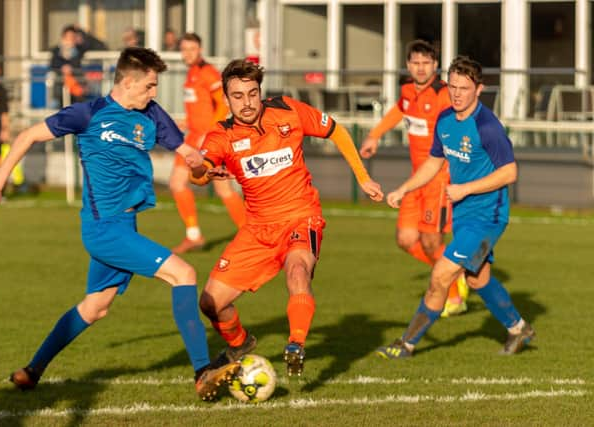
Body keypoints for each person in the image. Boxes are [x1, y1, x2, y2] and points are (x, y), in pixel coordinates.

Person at [0, 47, 240, 401]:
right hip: (103, 230)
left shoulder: (151, 114)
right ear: (129, 82)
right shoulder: (88, 114)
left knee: (95, 306)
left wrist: (205, 170)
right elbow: (26, 136)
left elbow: (189, 156)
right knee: (184, 275)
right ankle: (202, 372)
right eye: (149, 86)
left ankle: (32, 371)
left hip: (125, 226)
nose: (154, 93)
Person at [190, 59, 384, 376]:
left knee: (297, 271)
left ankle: (295, 344)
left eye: (252, 94)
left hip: (300, 215)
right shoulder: (222, 135)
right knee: (211, 302)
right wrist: (203, 173)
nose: (246, 102)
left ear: (260, 92)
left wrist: (362, 178)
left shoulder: (287, 111)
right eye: (237, 96)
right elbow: (198, 170)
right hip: (257, 229)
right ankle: (239, 344)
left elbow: (336, 130)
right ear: (226, 99)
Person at [376, 56, 535, 359]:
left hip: (488, 217)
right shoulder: (446, 119)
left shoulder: (488, 127)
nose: (457, 93)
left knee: (441, 275)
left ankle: (406, 344)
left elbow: (509, 173)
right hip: (463, 215)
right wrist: (404, 188)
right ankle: (519, 328)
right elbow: (435, 161)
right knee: (477, 279)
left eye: (464, 88)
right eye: (453, 86)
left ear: (479, 89)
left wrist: (465, 188)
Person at [359, 39, 468, 317]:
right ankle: (455, 274)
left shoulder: (444, 94)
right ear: (408, 64)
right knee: (406, 240)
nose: (421, 68)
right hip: (415, 179)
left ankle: (454, 296)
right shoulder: (407, 89)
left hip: (440, 179)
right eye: (416, 63)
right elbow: (399, 109)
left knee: (432, 242)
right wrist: (375, 135)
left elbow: (463, 122)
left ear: (435, 65)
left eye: (426, 63)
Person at [170, 32, 246, 253]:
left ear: (200, 50)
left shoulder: (208, 72)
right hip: (193, 136)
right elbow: (201, 106)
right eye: (184, 49)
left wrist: (210, 132)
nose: (188, 53)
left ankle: (247, 233)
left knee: (222, 188)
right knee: (179, 182)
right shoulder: (192, 73)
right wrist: (187, 121)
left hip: (206, 140)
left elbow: (223, 104)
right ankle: (194, 235)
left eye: (192, 49)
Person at [49, 25, 84, 107]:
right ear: (63, 37)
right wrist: (63, 67)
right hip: (60, 82)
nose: (70, 39)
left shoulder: (79, 50)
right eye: (68, 37)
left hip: (75, 82)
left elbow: (77, 63)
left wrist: (81, 32)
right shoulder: (56, 50)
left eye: (73, 37)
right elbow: (53, 63)